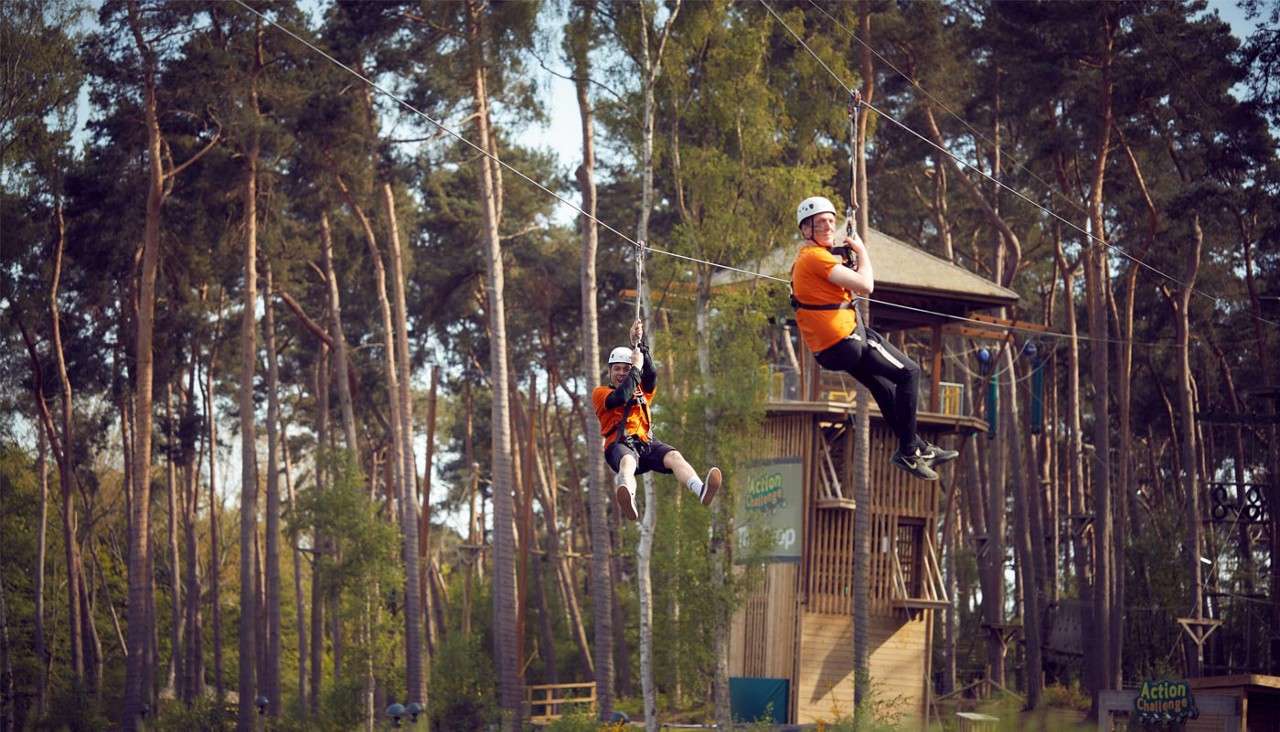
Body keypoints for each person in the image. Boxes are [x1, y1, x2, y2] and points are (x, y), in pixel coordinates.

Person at [789, 195, 957, 480]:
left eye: (831, 221)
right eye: (821, 224)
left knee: (883, 387)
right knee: (910, 373)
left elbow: (835, 272)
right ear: (806, 230)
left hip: (831, 349)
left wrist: (848, 249)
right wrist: (862, 252)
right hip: (846, 340)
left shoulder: (809, 258)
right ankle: (908, 451)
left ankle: (914, 446)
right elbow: (866, 285)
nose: (829, 227)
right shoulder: (814, 258)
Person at [591, 319, 722, 520]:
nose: (621, 373)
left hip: (645, 443)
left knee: (675, 457)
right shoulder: (600, 393)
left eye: (625, 369)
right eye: (617, 369)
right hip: (619, 444)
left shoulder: (642, 390)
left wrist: (641, 346)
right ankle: (629, 496)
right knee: (627, 461)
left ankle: (700, 490)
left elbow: (650, 375)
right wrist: (634, 368)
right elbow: (622, 396)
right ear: (610, 371)